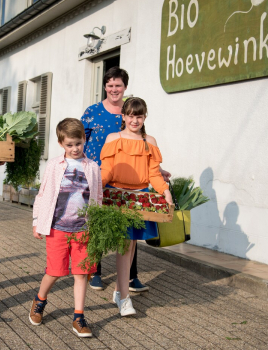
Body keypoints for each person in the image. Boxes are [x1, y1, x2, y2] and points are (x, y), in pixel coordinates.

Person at [81, 67, 170, 292]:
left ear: (125, 88)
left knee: (131, 234)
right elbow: (80, 142)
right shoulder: (93, 112)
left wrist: (160, 176)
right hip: (103, 176)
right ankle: (96, 272)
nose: (114, 89)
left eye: (118, 85)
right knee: (101, 227)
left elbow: (144, 157)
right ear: (105, 86)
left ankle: (130, 279)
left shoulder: (132, 109)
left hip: (132, 185)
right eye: (110, 85)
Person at [100, 97, 173, 316]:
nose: (134, 120)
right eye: (130, 115)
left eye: (139, 116)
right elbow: (107, 170)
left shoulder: (149, 140)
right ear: (123, 116)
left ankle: (117, 291)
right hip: (116, 196)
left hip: (140, 197)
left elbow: (153, 174)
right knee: (124, 245)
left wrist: (165, 192)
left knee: (131, 246)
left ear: (144, 117)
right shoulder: (114, 137)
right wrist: (95, 186)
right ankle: (124, 298)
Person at [30, 118, 102, 337]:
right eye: (69, 145)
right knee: (54, 271)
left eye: (78, 143)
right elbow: (43, 195)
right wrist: (36, 222)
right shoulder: (54, 165)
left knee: (81, 273)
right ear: (61, 143)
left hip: (83, 229)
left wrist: (97, 225)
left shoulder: (92, 167)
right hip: (57, 228)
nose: (74, 149)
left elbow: (97, 197)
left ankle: (78, 316)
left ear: (84, 140)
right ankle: (40, 300)